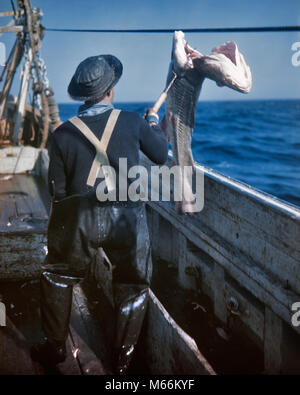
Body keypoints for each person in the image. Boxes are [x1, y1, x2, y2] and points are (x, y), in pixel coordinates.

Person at [31, 54, 168, 374]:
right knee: (132, 284)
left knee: (57, 275)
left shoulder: (62, 134)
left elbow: (58, 191)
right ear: (111, 91)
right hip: (127, 219)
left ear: (81, 95)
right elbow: (160, 154)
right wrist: (151, 120)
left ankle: (53, 349)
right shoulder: (132, 121)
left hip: (79, 219)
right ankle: (122, 363)